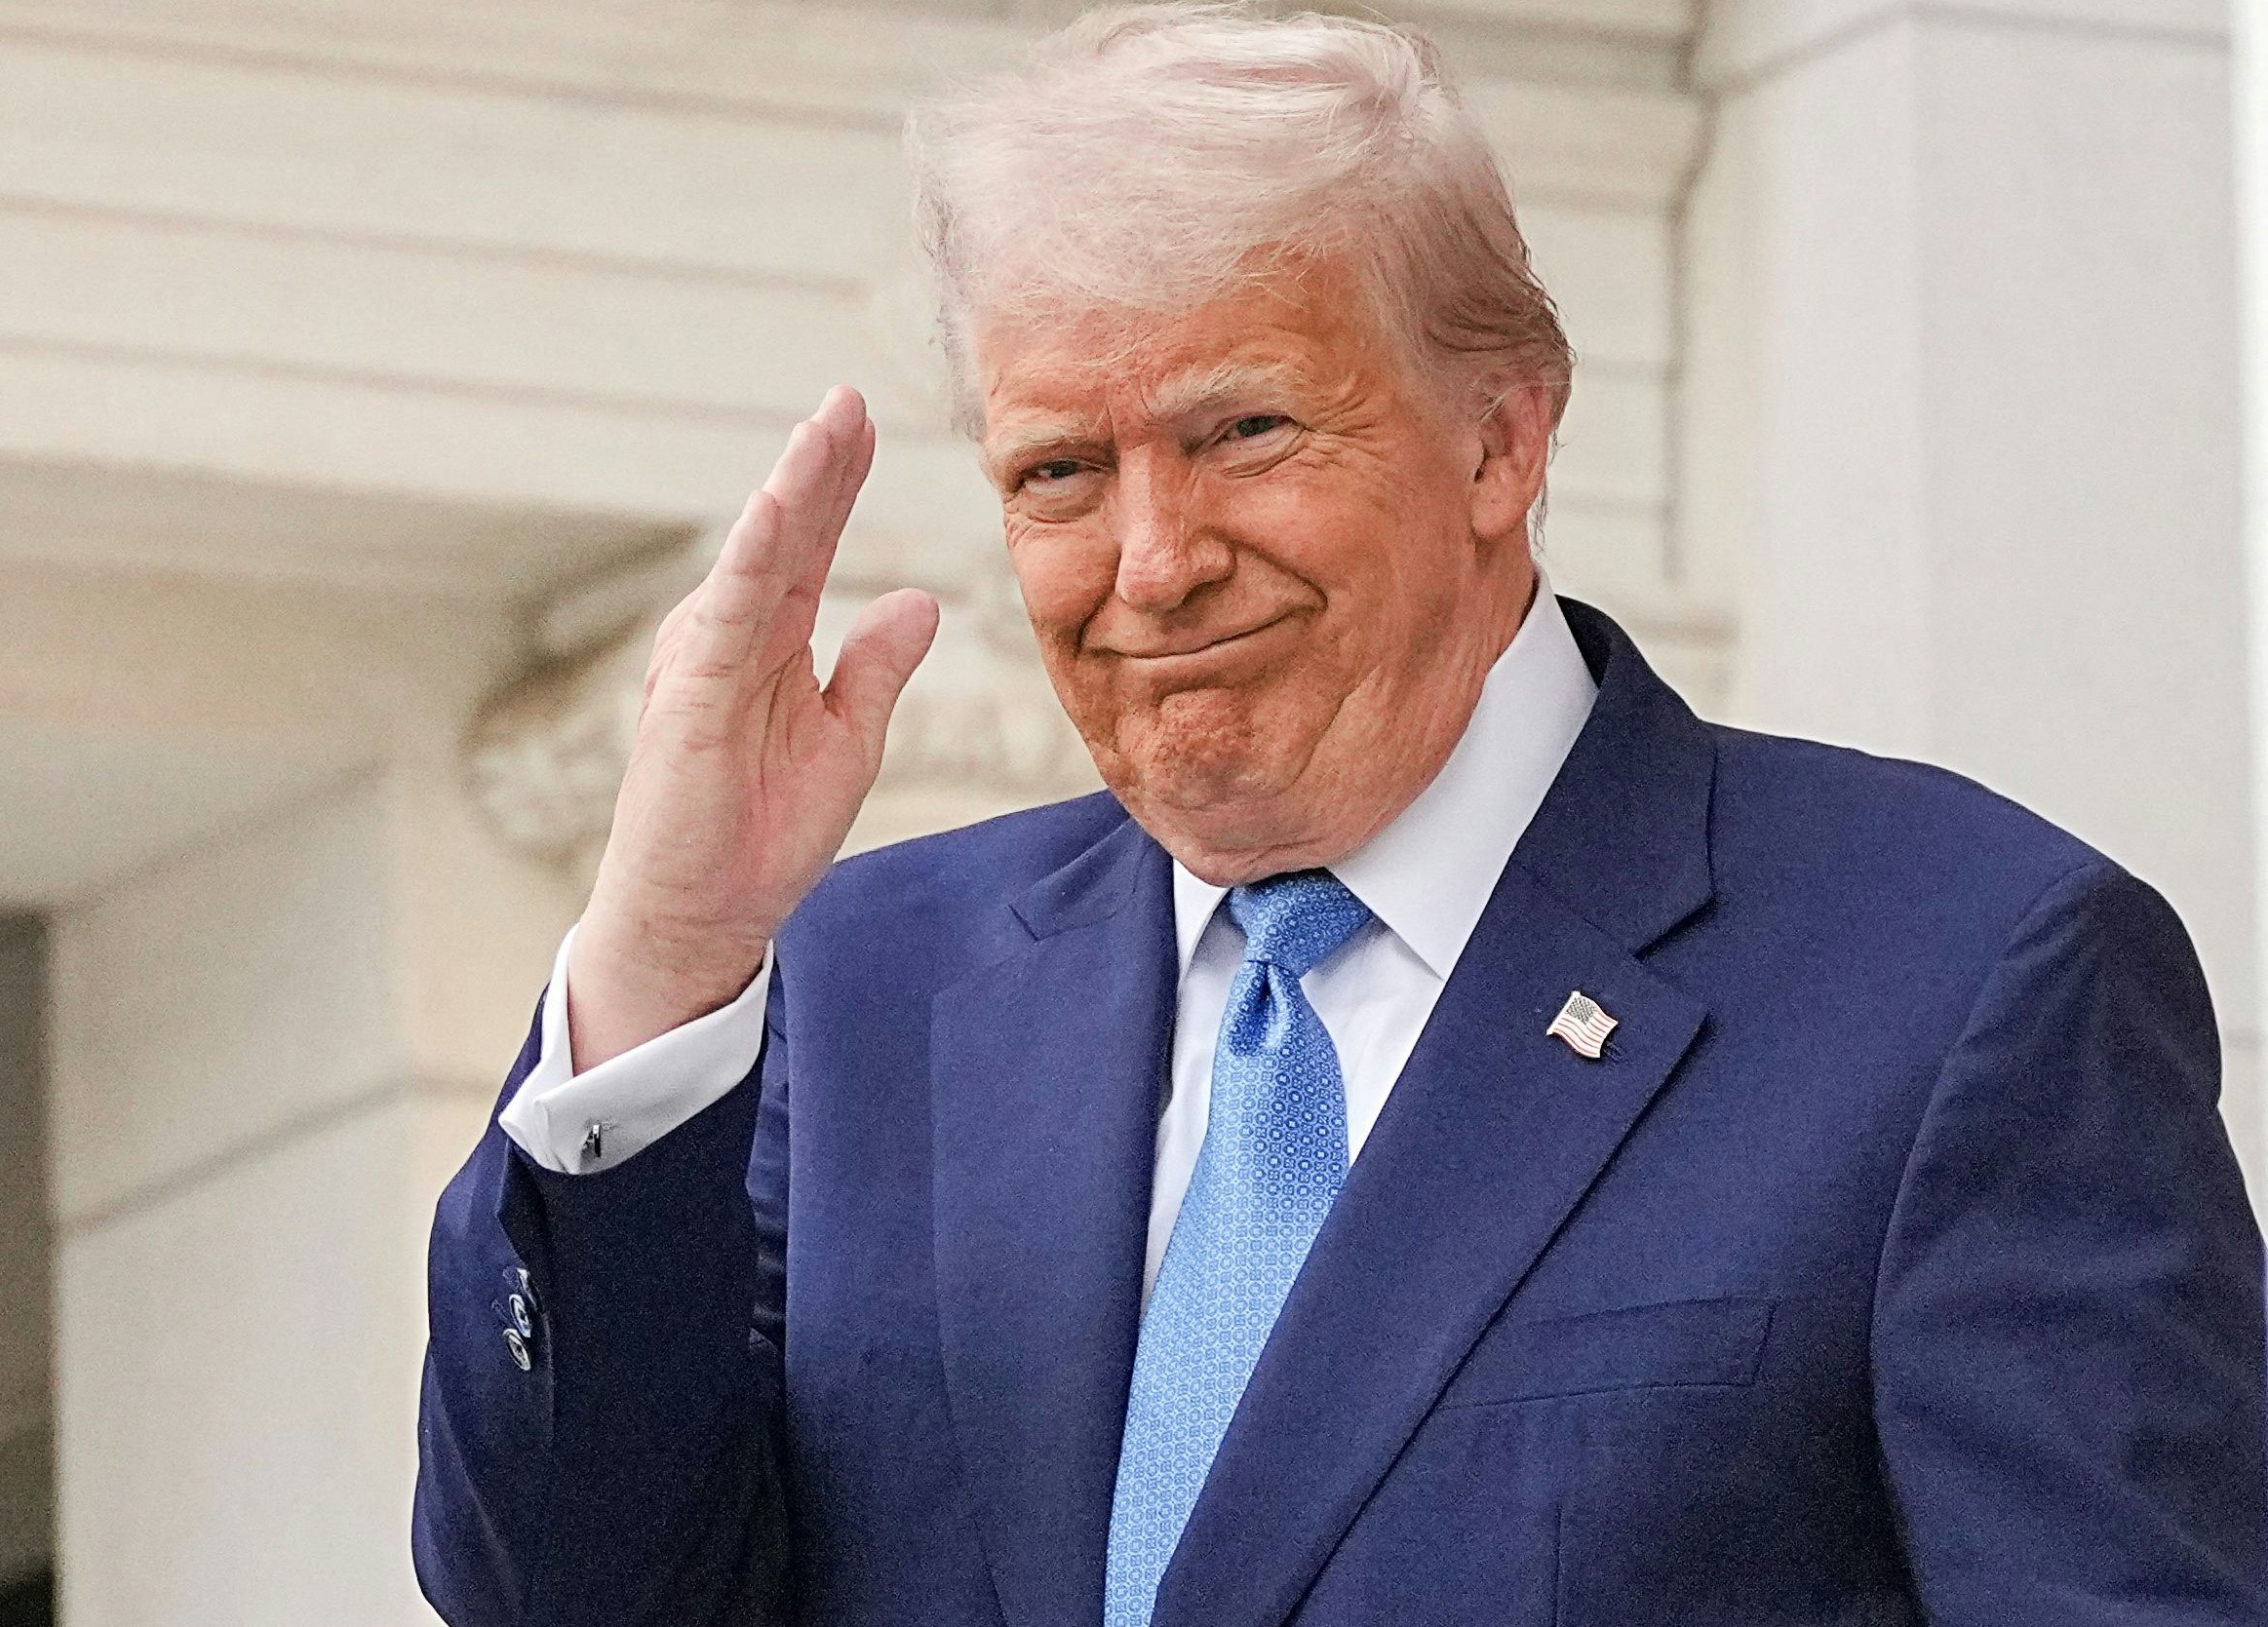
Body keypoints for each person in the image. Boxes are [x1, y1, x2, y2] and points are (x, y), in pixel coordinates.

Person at [411, 7, 2268, 1624]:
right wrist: (660, 957)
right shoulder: (855, 994)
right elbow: (579, 1595)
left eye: (1245, 434)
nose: (1152, 560)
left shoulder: (1956, 981)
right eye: (1062, 468)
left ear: (1501, 441)